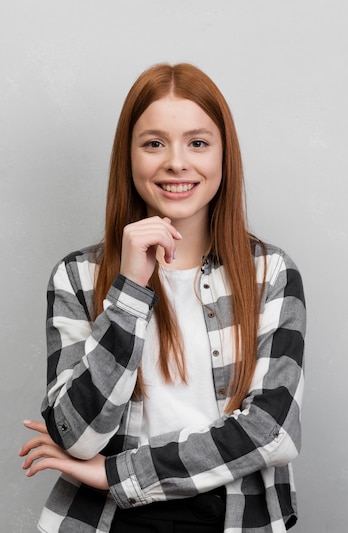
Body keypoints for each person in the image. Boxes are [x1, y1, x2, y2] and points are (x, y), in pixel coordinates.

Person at [18, 63, 306, 533]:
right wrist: (130, 290)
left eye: (198, 142)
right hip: (105, 521)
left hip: (231, 516)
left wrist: (117, 474)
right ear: (128, 157)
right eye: (154, 143)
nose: (176, 162)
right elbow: (79, 437)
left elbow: (271, 432)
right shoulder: (78, 277)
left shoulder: (270, 273)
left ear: (223, 156)